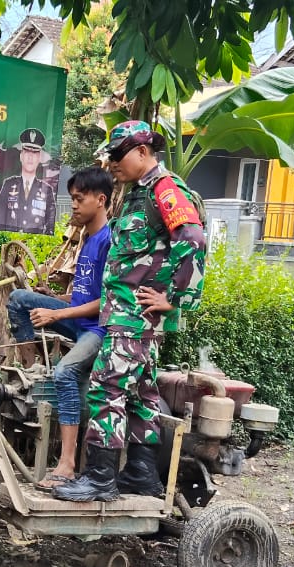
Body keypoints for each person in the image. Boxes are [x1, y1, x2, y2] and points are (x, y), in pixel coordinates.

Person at [54, 121, 207, 503]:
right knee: (141, 394)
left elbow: (192, 239)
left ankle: (100, 479)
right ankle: (141, 472)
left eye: (119, 155)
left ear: (142, 151)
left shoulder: (164, 189)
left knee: (106, 387)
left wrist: (175, 297)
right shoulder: (138, 194)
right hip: (130, 317)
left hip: (133, 318)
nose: (113, 163)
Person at [4, 167, 115, 490]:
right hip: (77, 320)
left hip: (98, 330)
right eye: (73, 199)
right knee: (20, 299)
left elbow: (107, 301)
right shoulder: (88, 239)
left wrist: (56, 314)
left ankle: (67, 465)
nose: (74, 205)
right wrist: (55, 299)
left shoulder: (109, 241)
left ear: (101, 200)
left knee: (66, 373)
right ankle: (31, 371)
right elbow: (83, 295)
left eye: (80, 199)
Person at [0, 128, 57, 234]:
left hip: (34, 242)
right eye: (27, 151)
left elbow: (50, 226)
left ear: (39, 158)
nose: (30, 157)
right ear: (21, 156)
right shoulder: (8, 185)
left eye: (35, 152)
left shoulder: (47, 190)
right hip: (10, 240)